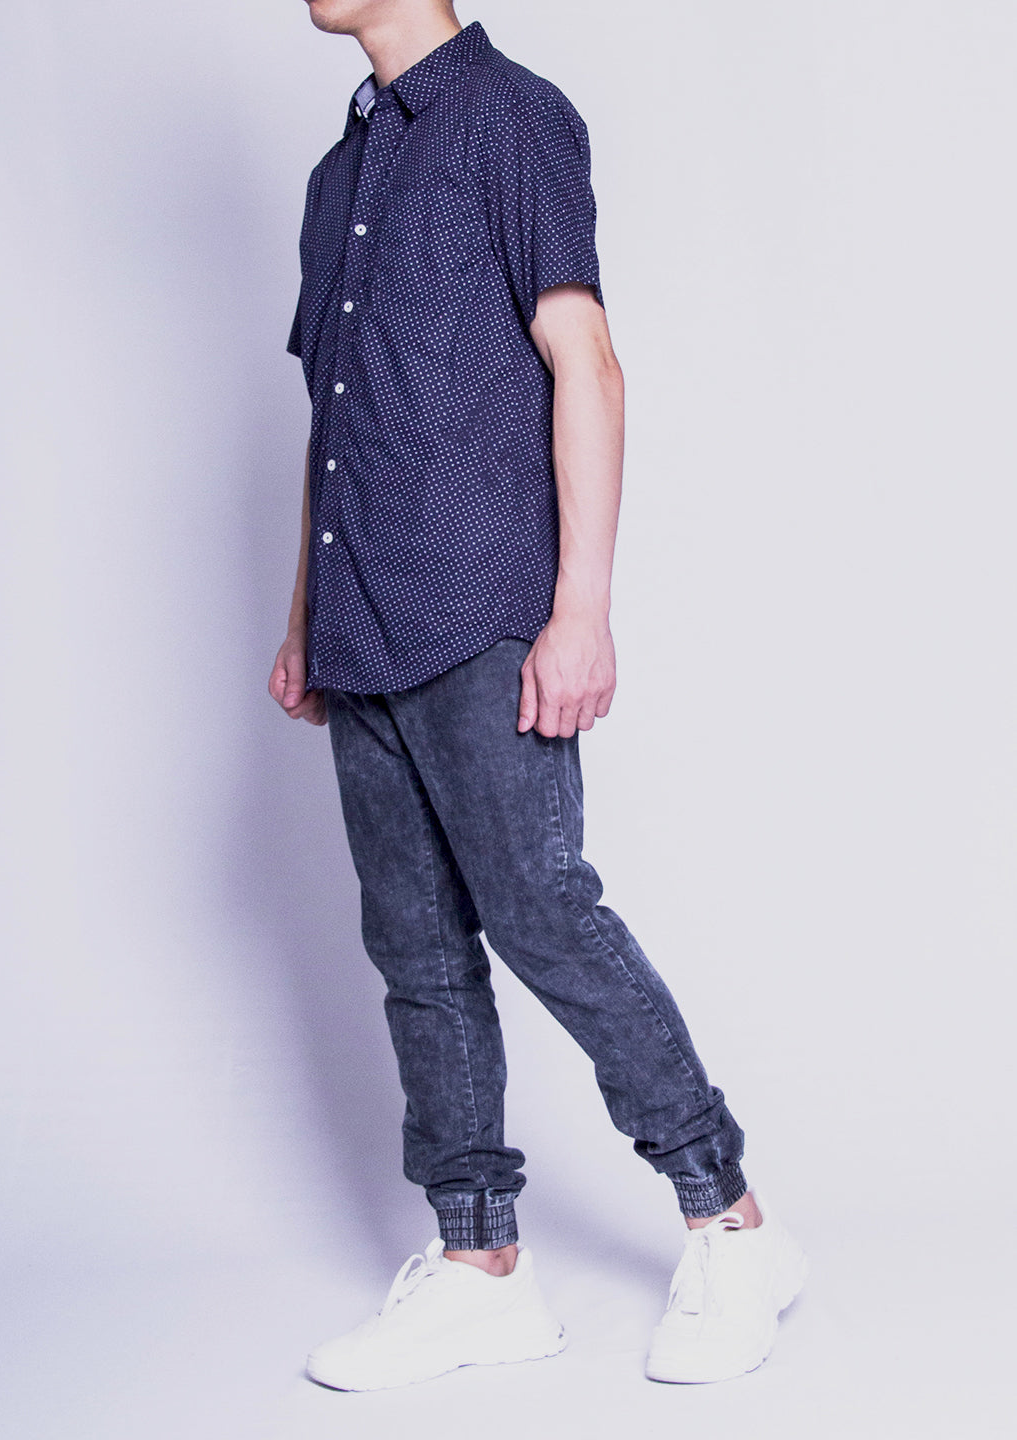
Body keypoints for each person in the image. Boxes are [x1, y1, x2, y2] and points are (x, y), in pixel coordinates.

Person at [270, 0, 806, 1391]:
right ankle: (480, 1268)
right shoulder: (339, 173)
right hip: (363, 620)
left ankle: (733, 1223)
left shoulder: (514, 118)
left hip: (483, 606)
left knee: (544, 912)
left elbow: (588, 364)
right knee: (415, 949)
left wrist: (582, 611)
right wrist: (304, 615)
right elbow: (337, 418)